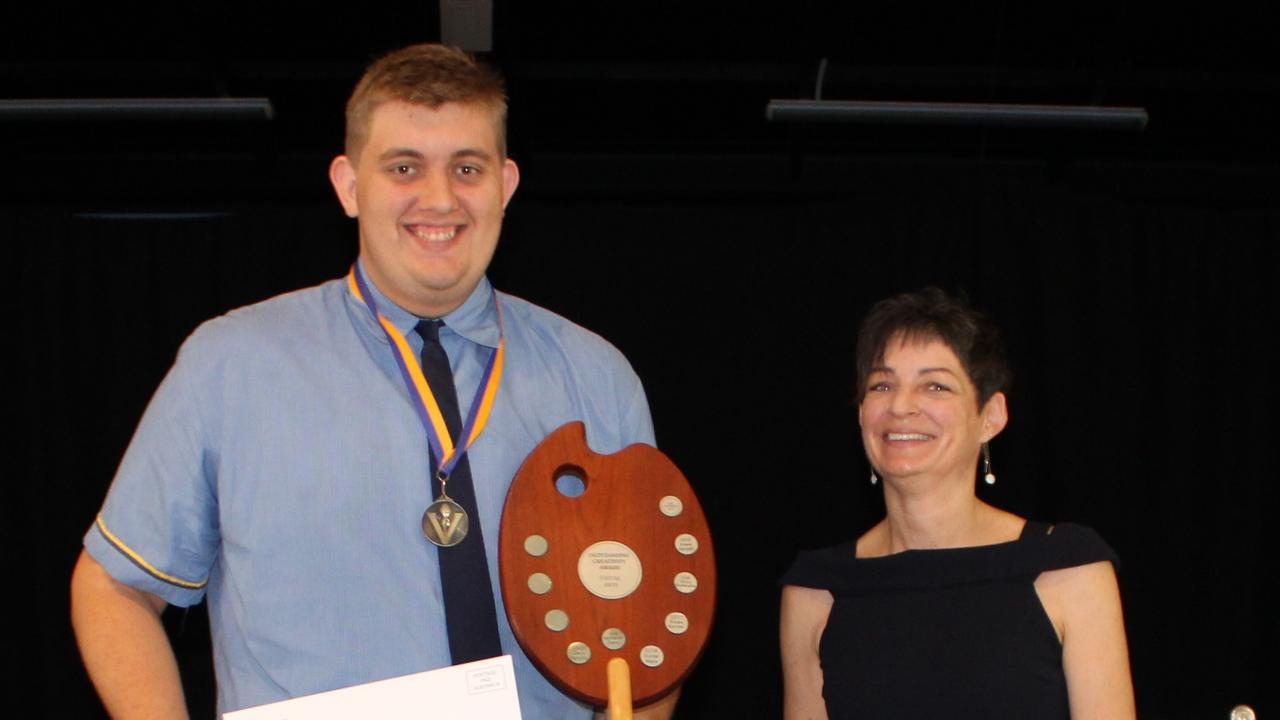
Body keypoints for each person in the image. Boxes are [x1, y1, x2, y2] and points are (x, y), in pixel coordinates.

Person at [71, 44, 676, 719]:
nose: (440, 198)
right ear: (349, 185)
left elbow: (653, 622)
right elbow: (112, 585)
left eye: (467, 168)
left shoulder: (593, 376)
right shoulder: (232, 366)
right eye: (403, 168)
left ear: (506, 186)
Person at [780, 288, 1135, 720]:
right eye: (881, 384)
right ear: (860, 413)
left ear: (991, 416)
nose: (901, 406)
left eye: (935, 385)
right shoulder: (817, 589)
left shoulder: (1067, 567)